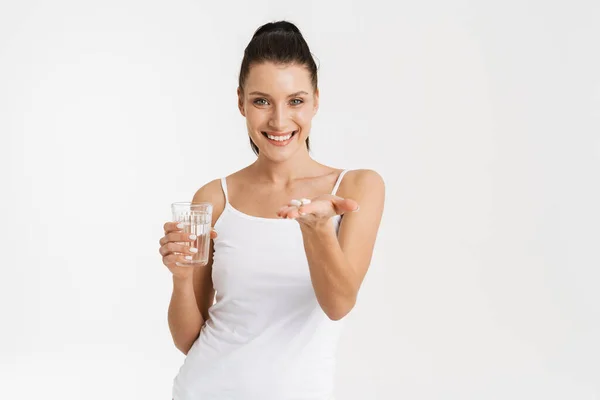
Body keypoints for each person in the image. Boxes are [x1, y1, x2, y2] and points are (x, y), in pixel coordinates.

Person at [158, 20, 385, 400]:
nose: (279, 121)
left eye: (295, 101)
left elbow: (338, 304)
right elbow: (188, 341)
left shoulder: (355, 187)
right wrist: (181, 279)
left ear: (315, 100)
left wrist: (316, 230)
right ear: (241, 102)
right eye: (261, 101)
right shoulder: (215, 198)